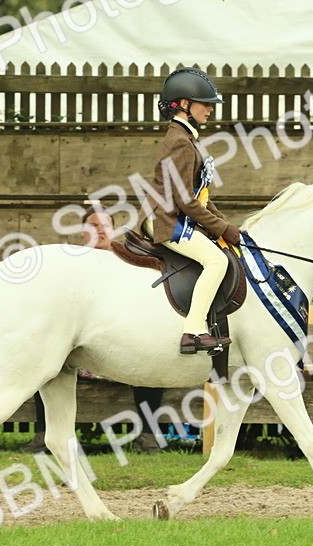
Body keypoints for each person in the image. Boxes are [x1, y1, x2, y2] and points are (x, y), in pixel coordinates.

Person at [22, 207, 166, 453]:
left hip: (120, 341)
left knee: (151, 365)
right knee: (44, 364)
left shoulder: (127, 259)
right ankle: (45, 435)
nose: (100, 230)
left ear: (113, 231)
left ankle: (146, 435)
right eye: (93, 225)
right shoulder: (71, 263)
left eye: (105, 226)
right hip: (79, 342)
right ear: (82, 232)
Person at [145, 67, 241, 354]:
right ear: (184, 105)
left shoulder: (187, 138)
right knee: (216, 261)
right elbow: (186, 201)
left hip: (177, 216)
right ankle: (193, 331)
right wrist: (221, 229)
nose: (210, 110)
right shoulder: (179, 142)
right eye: (205, 103)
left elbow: (199, 196)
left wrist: (223, 224)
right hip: (167, 220)